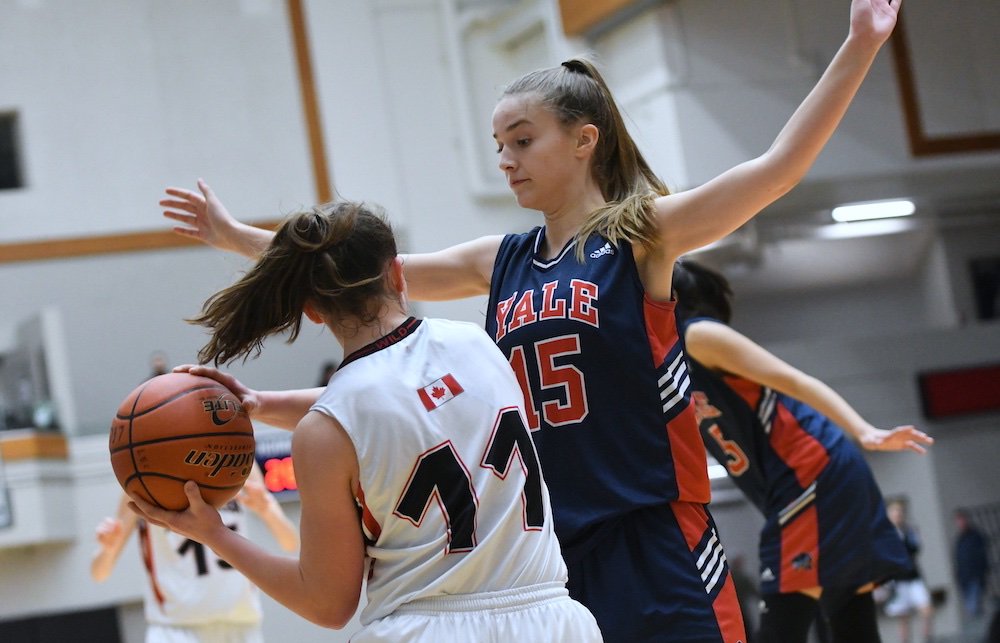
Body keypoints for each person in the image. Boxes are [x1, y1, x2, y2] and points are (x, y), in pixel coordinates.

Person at [158, 2, 904, 639]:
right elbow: (360, 272)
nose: (506, 160)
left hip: (654, 533)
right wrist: (239, 239)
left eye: (522, 140)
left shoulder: (639, 236)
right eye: (499, 146)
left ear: (585, 140)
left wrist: (861, 42)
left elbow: (776, 169)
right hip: (548, 557)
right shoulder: (503, 258)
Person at [129, 202, 603, 642]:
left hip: (427, 628)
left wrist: (214, 534)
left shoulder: (327, 431)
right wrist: (260, 403)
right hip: (555, 620)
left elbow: (327, 604)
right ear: (398, 275)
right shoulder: (478, 345)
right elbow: (401, 405)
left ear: (312, 310)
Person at [670, 258, 933, 643]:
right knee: (849, 620)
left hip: (812, 471)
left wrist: (865, 431)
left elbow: (793, 379)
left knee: (780, 629)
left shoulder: (698, 335)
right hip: (803, 480)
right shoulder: (667, 359)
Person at [91, 463, 299, 643]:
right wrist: (108, 548)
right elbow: (99, 573)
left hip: (241, 625)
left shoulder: (236, 453)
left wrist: (267, 510)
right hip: (176, 630)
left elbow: (290, 542)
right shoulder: (142, 472)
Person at [884, 498, 935, 643]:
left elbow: (916, 549)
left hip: (913, 577)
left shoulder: (909, 531)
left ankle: (927, 637)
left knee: (926, 609)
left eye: (900, 511)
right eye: (894, 511)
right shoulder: (886, 534)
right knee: (903, 617)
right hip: (898, 581)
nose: (898, 514)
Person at [954, 508, 990, 621]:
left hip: (975, 576)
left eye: (962, 519)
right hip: (965, 578)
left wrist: (981, 572)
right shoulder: (960, 539)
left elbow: (981, 555)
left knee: (973, 606)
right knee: (973, 607)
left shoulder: (975, 536)